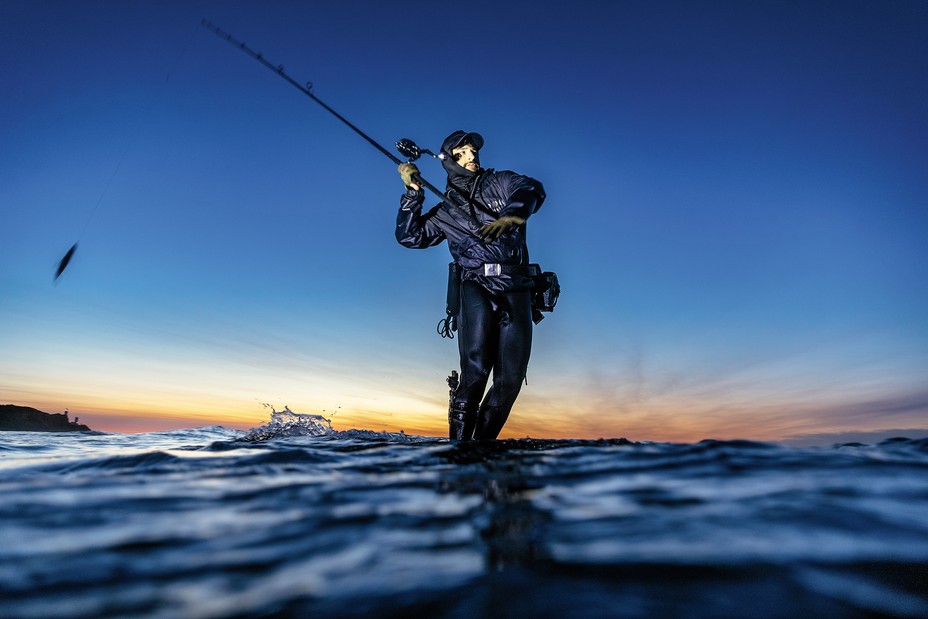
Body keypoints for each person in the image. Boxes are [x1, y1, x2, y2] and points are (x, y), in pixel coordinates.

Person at [395, 130, 546, 440]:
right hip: (474, 286)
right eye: (462, 152)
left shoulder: (500, 182)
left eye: (473, 149)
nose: (472, 155)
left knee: (509, 382)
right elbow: (411, 237)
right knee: (475, 373)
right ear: (450, 161)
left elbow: (532, 189)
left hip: (516, 287)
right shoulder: (445, 211)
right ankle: (459, 451)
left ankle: (482, 447)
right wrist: (413, 194)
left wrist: (514, 214)